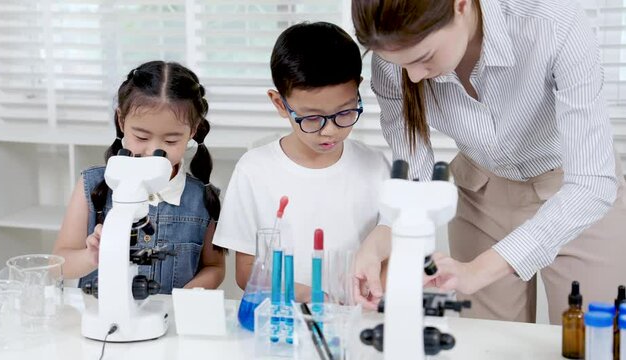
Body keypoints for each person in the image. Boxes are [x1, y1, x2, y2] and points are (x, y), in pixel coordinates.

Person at [351, 0, 626, 324]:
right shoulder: (393, 58)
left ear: (461, 5)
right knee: (486, 342)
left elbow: (591, 181)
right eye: (399, 63)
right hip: (480, 194)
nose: (412, 76)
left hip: (576, 197)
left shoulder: (553, 22)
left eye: (424, 58)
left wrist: (479, 270)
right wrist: (385, 233)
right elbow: (413, 169)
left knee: (595, 338)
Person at [212, 22, 390, 302]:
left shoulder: (377, 166)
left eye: (344, 113)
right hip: (285, 322)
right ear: (280, 104)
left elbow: (389, 251)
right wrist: (316, 298)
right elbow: (246, 273)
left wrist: (375, 293)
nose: (329, 130)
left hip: (358, 320)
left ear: (358, 91)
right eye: (312, 118)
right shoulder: (254, 171)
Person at [54, 61, 225, 294]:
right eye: (142, 137)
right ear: (122, 121)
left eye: (171, 141)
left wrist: (184, 297)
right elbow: (59, 264)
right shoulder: (92, 185)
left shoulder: (202, 198)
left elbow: (215, 267)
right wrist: (91, 256)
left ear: (193, 131)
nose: (153, 150)